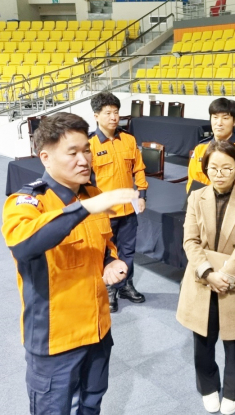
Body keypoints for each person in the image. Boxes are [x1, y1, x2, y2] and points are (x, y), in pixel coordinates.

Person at [1, 113, 138, 414]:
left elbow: (104, 243)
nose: (84, 159)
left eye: (86, 150)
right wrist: (84, 208)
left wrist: (110, 261)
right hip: (57, 340)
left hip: (98, 331)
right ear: (46, 158)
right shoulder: (29, 202)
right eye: (72, 152)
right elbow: (23, 244)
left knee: (92, 403)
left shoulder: (92, 195)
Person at [177, 140, 235, 415]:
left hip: (233, 278)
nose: (219, 173)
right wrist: (207, 273)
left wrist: (224, 275)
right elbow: (190, 240)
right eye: (213, 168)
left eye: (226, 168)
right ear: (205, 169)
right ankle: (208, 387)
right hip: (201, 276)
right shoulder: (195, 197)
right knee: (202, 337)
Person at [89, 92, 148, 312]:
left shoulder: (129, 140)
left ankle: (125, 285)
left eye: (116, 112)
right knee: (106, 252)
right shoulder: (90, 144)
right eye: (108, 113)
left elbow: (139, 169)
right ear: (96, 116)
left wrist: (142, 195)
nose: (114, 117)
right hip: (105, 212)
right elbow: (85, 180)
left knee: (128, 250)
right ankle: (109, 290)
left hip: (128, 208)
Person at [187, 97, 235, 193]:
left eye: (225, 118)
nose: (219, 123)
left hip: (231, 201)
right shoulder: (200, 149)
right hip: (201, 200)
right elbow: (192, 184)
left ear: (234, 121)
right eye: (215, 117)